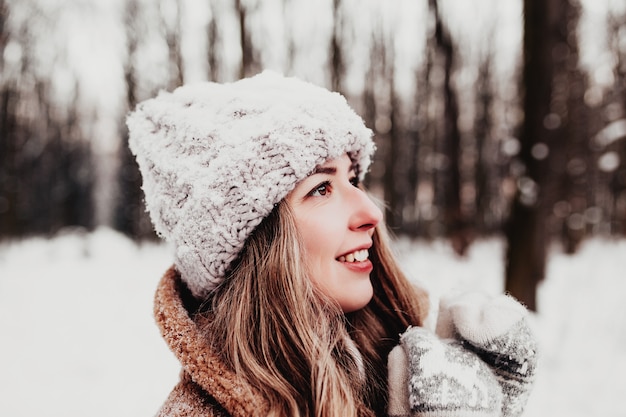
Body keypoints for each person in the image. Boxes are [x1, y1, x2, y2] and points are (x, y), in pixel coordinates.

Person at [127, 71, 537, 417]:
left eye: (352, 179)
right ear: (255, 245)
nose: (371, 213)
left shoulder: (409, 367)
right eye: (321, 188)